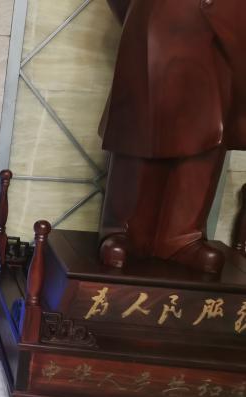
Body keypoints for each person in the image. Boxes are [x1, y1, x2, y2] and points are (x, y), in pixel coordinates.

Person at [98, 0, 246, 273]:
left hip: (227, 28)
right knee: (142, 121)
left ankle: (183, 236)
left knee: (209, 125)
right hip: (157, 21)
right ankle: (124, 228)